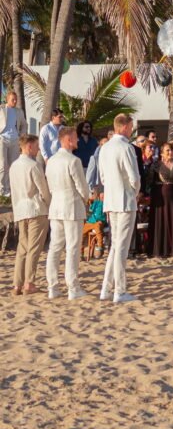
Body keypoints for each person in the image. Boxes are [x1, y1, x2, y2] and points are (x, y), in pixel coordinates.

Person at [99, 113, 141, 303]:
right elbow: (134, 176)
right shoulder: (126, 147)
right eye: (131, 127)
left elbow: (103, 178)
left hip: (111, 200)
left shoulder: (105, 148)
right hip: (124, 200)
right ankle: (119, 290)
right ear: (124, 127)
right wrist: (134, 192)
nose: (132, 130)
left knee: (115, 246)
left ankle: (106, 288)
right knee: (120, 248)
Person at [45, 125, 89, 300]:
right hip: (71, 206)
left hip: (56, 206)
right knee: (72, 247)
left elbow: (49, 186)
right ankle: (72, 287)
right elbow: (82, 187)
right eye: (75, 137)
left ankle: (52, 286)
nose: (78, 140)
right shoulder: (73, 161)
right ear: (69, 140)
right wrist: (85, 198)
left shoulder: (52, 161)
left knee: (55, 247)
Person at [8, 133, 50, 295]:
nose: (38, 148)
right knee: (33, 248)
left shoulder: (14, 166)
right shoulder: (33, 165)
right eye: (37, 145)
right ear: (29, 146)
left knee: (22, 248)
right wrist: (49, 204)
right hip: (35, 209)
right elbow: (43, 189)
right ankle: (29, 283)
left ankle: (16, 284)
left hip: (20, 209)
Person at [148, 142, 173, 258]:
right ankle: (161, 249)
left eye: (171, 150)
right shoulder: (155, 165)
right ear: (161, 153)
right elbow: (150, 181)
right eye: (167, 150)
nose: (170, 152)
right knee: (162, 221)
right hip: (159, 197)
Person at [0, 89, 27, 194]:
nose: (15, 101)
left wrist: (22, 135)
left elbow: (24, 124)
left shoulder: (19, 111)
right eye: (13, 99)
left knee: (14, 165)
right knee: (2, 165)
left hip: (15, 140)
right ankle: (2, 189)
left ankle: (11, 188)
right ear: (7, 99)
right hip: (2, 139)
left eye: (16, 100)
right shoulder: (1, 109)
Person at [82, 189, 106, 259]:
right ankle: (81, 253)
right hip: (90, 221)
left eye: (103, 197)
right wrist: (91, 201)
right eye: (101, 197)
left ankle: (100, 249)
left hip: (98, 222)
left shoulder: (106, 204)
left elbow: (107, 216)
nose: (102, 198)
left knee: (99, 232)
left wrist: (103, 221)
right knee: (82, 234)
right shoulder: (96, 202)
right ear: (99, 197)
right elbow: (90, 210)